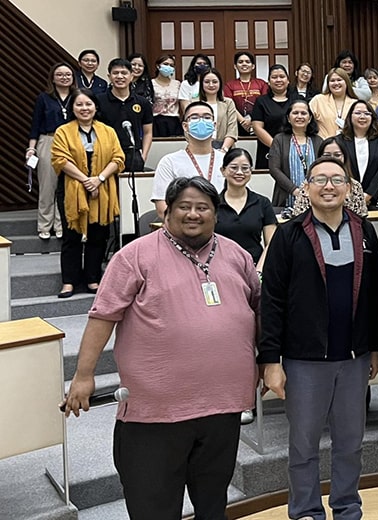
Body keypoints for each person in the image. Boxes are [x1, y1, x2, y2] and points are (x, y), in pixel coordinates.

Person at [62, 176, 259, 520]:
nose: (193, 214)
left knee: (212, 506)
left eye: (203, 207)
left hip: (222, 410)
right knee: (154, 510)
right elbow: (102, 317)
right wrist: (83, 375)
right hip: (155, 415)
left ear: (216, 213)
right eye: (184, 206)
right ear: (168, 211)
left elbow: (258, 310)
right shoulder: (134, 256)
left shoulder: (237, 255)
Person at [259, 155, 378, 520]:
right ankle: (305, 511)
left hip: (354, 358)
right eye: (320, 179)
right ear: (306, 188)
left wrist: (374, 346)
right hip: (304, 361)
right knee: (303, 446)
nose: (328, 186)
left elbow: (373, 294)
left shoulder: (364, 230)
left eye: (336, 179)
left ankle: (347, 507)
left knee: (350, 443)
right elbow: (272, 300)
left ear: (348, 188)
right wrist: (270, 361)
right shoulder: (289, 234)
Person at [51, 88, 124, 297]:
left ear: (95, 106)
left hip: (102, 188)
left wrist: (98, 179)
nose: (84, 108)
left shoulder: (107, 131)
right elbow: (60, 159)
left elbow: (118, 159)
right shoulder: (63, 131)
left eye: (88, 104)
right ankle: (69, 281)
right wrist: (85, 181)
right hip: (71, 189)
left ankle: (93, 278)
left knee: (98, 235)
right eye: (79, 104)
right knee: (71, 235)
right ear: (72, 108)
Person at [152, 101, 227, 217]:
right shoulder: (169, 162)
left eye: (207, 117)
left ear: (214, 125)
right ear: (185, 126)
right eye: (195, 117)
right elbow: (163, 207)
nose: (201, 121)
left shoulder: (226, 161)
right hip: (187, 226)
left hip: (225, 226)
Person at [27, 62, 73, 240]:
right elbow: (35, 126)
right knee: (48, 186)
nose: (64, 77)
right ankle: (44, 225)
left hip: (71, 142)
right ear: (53, 78)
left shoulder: (77, 96)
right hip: (48, 140)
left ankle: (61, 224)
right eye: (60, 74)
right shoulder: (44, 98)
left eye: (68, 75)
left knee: (67, 186)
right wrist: (31, 148)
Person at [215, 148, 276, 271]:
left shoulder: (263, 203)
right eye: (233, 167)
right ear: (223, 171)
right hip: (220, 268)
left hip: (255, 267)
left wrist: (259, 270)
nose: (239, 172)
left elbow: (272, 243)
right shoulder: (213, 204)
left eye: (245, 168)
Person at [97, 58, 154, 173]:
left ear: (131, 76)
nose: (119, 76)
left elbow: (148, 132)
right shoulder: (98, 100)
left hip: (133, 155)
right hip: (106, 155)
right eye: (115, 73)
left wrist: (143, 155)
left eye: (124, 73)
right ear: (109, 76)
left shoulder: (142, 102)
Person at [291, 137, 370, 219]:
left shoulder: (355, 186)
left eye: (337, 155)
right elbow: (298, 216)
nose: (332, 158)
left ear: (344, 157)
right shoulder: (308, 184)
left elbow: (361, 219)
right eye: (327, 155)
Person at [336, 100, 378, 208]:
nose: (362, 116)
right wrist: (351, 195)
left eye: (367, 113)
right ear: (350, 116)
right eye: (358, 113)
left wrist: (368, 195)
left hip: (374, 201)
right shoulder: (339, 141)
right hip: (344, 199)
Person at [268, 99, 323, 207]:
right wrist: (294, 190)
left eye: (303, 113)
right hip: (286, 198)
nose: (299, 116)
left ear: (310, 118)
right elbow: (274, 169)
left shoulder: (318, 141)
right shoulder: (279, 139)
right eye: (295, 113)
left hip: (314, 198)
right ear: (288, 118)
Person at [251, 64, 295, 169]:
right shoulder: (261, 101)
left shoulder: (297, 100)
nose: (278, 80)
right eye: (274, 77)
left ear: (288, 80)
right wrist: (276, 147)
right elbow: (257, 128)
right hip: (268, 149)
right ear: (269, 82)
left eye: (282, 76)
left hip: (295, 148)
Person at [224, 51, 270, 137]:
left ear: (253, 66)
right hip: (236, 124)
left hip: (258, 124)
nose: (244, 64)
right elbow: (228, 104)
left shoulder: (262, 84)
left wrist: (251, 118)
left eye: (247, 62)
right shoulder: (229, 85)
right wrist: (242, 121)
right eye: (240, 62)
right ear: (235, 66)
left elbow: (265, 103)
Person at [309, 67, 359, 139]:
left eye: (339, 80)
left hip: (348, 145)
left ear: (346, 82)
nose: (336, 83)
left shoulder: (355, 104)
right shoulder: (318, 100)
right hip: (323, 145)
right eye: (332, 81)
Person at [198, 68, 239, 152]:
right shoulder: (195, 104)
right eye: (206, 82)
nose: (211, 85)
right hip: (201, 147)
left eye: (215, 82)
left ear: (220, 83)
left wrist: (223, 150)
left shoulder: (228, 103)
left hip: (225, 147)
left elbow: (232, 129)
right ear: (201, 84)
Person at [151, 54, 183, 137]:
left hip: (173, 121)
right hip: (156, 121)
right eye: (165, 64)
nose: (168, 67)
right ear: (158, 66)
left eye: (171, 65)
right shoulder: (150, 83)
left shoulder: (177, 84)